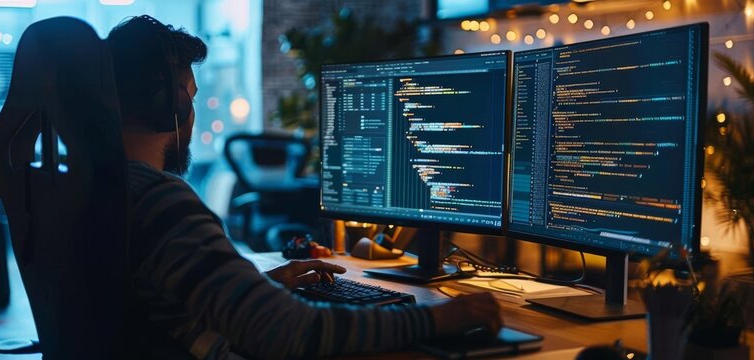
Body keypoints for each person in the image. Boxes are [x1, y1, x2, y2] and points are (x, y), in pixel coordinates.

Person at [108, 15, 503, 359]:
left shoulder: (99, 190)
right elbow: (291, 332)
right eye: (190, 97)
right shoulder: (159, 201)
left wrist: (253, 289)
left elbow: (163, 307)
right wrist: (439, 317)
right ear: (168, 105)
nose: (191, 115)